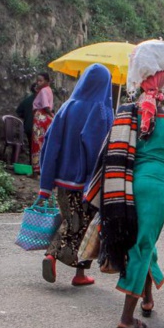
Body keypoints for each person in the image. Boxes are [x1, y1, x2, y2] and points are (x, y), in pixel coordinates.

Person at [86, 63, 164, 328]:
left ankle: (147, 299)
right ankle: (126, 318)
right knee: (142, 246)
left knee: (143, 242)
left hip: (127, 185)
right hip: (155, 189)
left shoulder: (130, 115)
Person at [38, 64, 114, 286]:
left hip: (62, 180)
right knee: (85, 227)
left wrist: (45, 184)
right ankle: (56, 257)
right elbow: (99, 149)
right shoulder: (101, 111)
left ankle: (74, 271)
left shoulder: (66, 107)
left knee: (71, 221)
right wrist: (97, 181)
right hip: (86, 182)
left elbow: (49, 146)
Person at [32, 73, 54, 174]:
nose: (38, 82)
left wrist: (53, 115)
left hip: (41, 117)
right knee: (46, 142)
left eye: (40, 81)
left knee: (37, 142)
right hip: (47, 118)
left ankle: (36, 169)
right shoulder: (48, 90)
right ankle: (44, 167)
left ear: (46, 81)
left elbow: (45, 106)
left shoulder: (44, 91)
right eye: (37, 80)